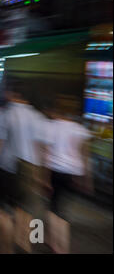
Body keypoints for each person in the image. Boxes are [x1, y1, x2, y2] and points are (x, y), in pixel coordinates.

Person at [0, 79, 48, 254]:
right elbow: (42, 149)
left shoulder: (5, 114)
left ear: (12, 94)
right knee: (24, 212)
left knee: (3, 211)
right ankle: (24, 246)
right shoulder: (38, 117)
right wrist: (41, 176)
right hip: (30, 170)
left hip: (7, 169)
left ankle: (7, 250)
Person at [43, 95, 92, 254]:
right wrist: (86, 179)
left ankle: (55, 245)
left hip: (55, 170)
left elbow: (46, 152)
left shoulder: (52, 126)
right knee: (64, 211)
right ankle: (63, 247)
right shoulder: (81, 130)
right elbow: (85, 157)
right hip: (73, 173)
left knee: (53, 208)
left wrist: (43, 177)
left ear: (59, 109)